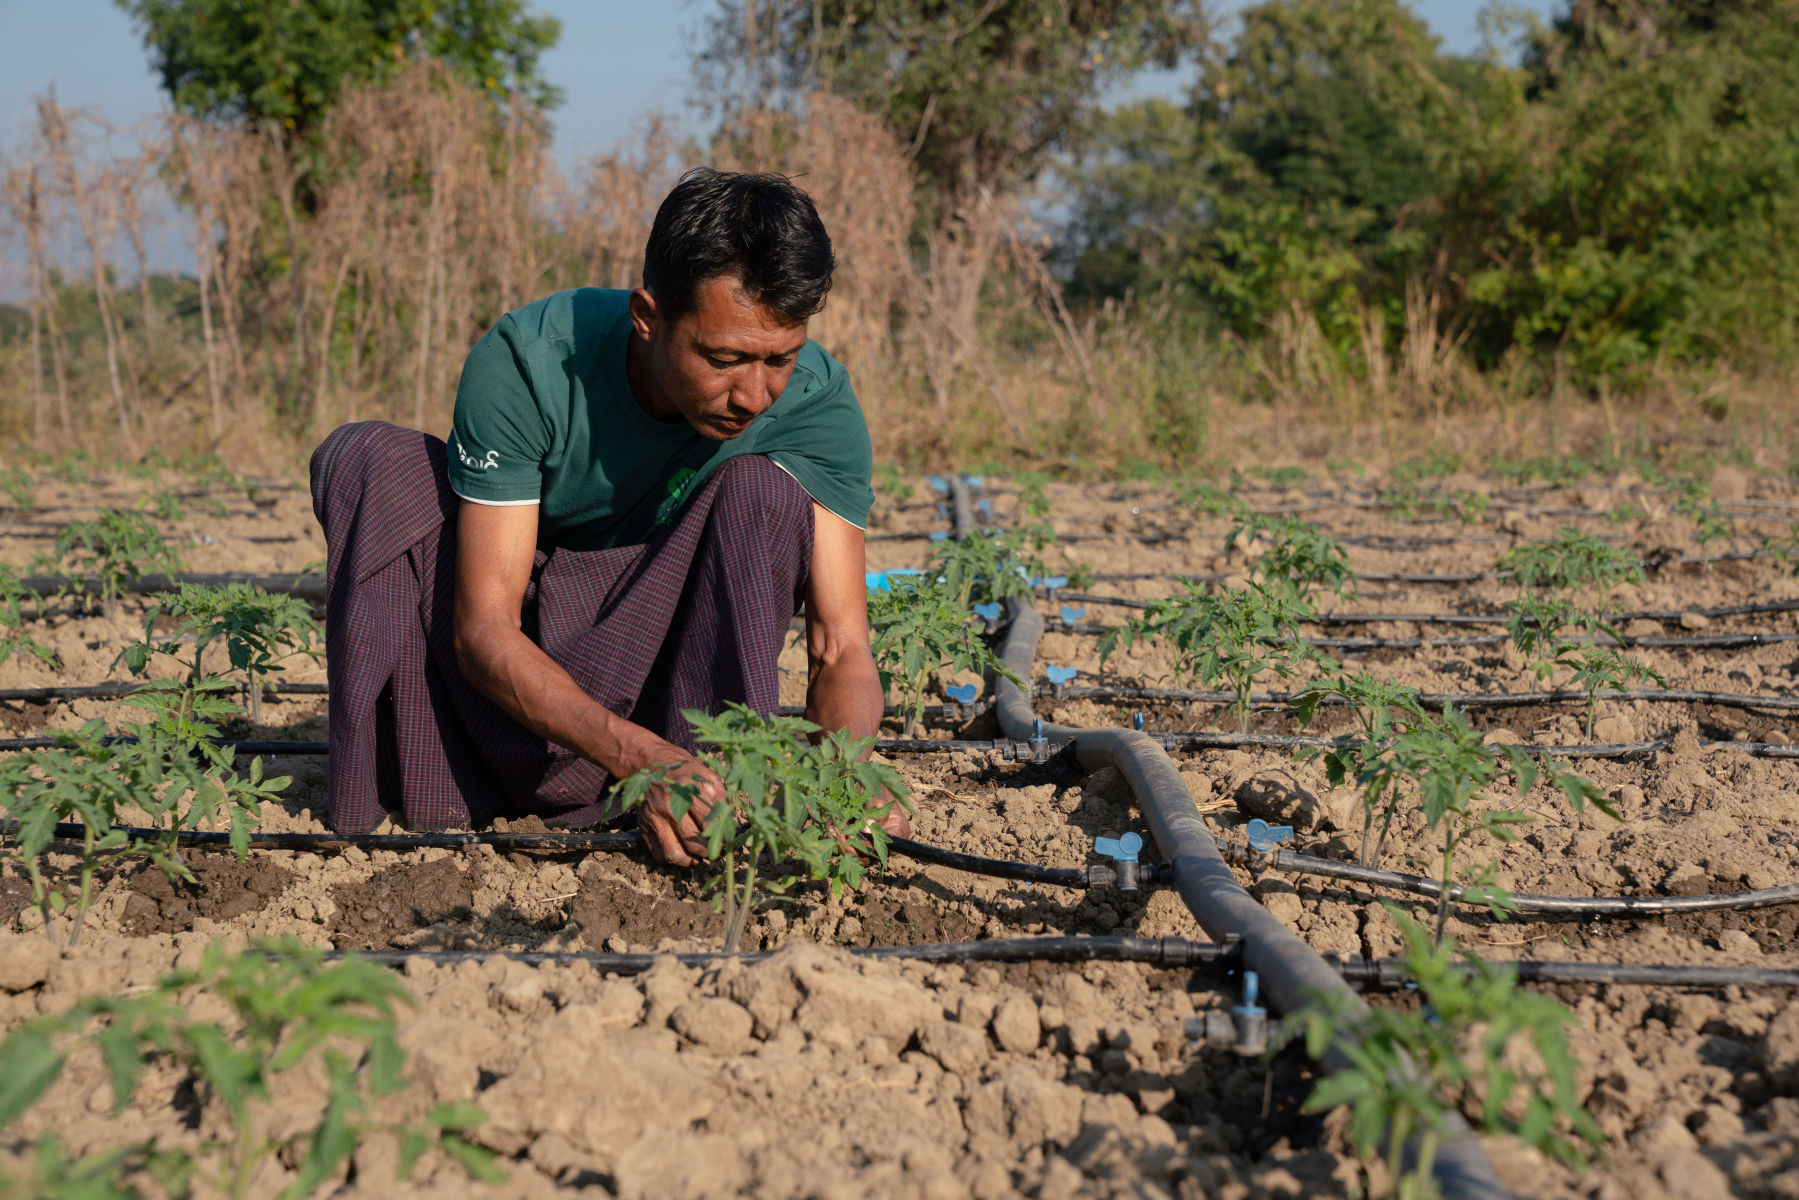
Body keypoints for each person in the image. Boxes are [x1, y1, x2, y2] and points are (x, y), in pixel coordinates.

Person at [309, 168, 907, 863]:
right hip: (502, 692)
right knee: (373, 460)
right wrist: (634, 755)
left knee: (763, 493)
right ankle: (438, 789)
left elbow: (841, 648)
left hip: (659, 676)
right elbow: (483, 630)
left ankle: (706, 802)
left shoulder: (812, 405)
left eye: (780, 358)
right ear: (648, 316)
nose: (754, 394)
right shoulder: (531, 363)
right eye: (724, 358)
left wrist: (845, 775)